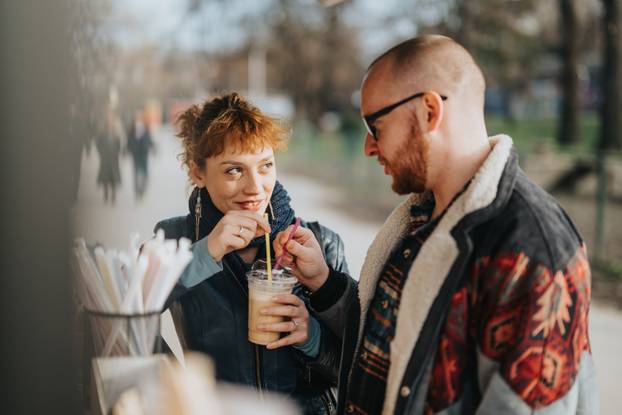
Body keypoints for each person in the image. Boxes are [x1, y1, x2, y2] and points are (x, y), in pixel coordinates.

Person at [273, 35, 598, 414]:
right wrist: (324, 284)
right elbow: (393, 344)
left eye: (376, 126)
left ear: (429, 110)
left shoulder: (531, 247)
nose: (368, 146)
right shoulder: (422, 217)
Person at [154, 92, 349, 415]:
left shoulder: (321, 243)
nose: (255, 187)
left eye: (266, 166)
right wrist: (206, 252)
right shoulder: (174, 240)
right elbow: (125, 314)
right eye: (234, 170)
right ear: (197, 173)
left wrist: (311, 337)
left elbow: (361, 369)